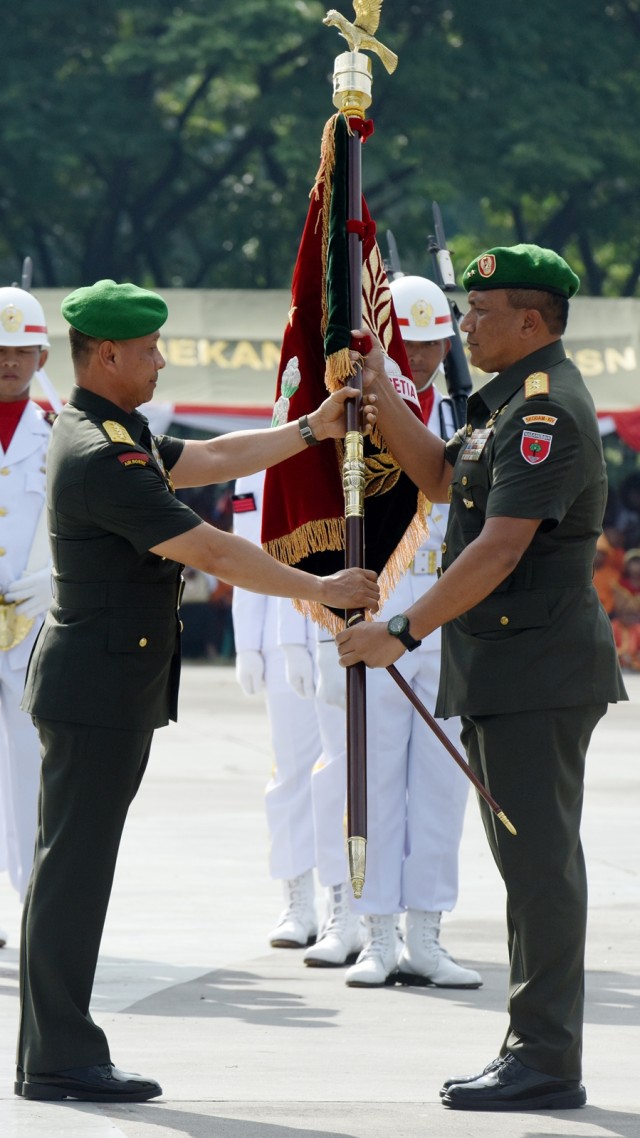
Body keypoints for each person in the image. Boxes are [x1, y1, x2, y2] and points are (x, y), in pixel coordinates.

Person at [16, 279, 379, 1105]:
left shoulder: (111, 430)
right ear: (106, 355)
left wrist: (309, 430)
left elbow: (206, 461)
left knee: (71, 868)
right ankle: (59, 1056)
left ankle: (52, 1051)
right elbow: (210, 549)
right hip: (96, 690)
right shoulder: (100, 454)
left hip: (103, 683)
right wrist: (317, 587)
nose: (159, 361)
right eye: (148, 351)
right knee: (73, 872)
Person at [336, 245, 626, 1111]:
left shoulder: (546, 415)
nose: (464, 326)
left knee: (539, 867)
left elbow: (501, 546)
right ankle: (533, 1046)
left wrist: (401, 628)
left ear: (531, 321)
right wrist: (381, 390)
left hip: (534, 671)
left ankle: (545, 1059)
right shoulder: (505, 409)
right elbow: (437, 476)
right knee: (526, 863)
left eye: (481, 311)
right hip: (510, 667)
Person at [307, 277, 480, 989]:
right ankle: (376, 929)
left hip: (448, 616)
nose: (428, 354)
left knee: (442, 783)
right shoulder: (359, 415)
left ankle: (427, 933)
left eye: (437, 340)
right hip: (377, 616)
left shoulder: (473, 413)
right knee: (370, 775)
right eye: (412, 343)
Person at [232, 470, 360, 959]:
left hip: (343, 631)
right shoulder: (256, 462)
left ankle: (343, 904)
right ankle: (296, 900)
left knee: (345, 774)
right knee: (290, 772)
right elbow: (246, 558)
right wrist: (249, 643)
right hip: (277, 631)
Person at [0, 287, 55, 943]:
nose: (8, 361)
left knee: (32, 772)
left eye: (19, 350)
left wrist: (48, 583)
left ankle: (32, 903)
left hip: (34, 623)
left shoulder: (62, 430)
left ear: (41, 353)